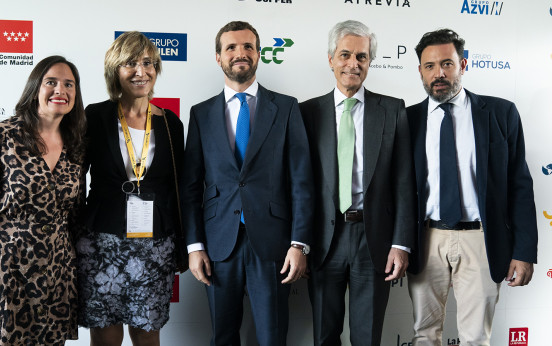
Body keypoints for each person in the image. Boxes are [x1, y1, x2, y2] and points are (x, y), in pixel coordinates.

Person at [181, 21, 314, 345]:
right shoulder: (201, 114)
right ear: (218, 57)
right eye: (231, 47)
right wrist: (195, 246)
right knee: (222, 337)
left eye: (248, 47)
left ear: (258, 54)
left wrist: (299, 244)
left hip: (272, 245)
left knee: (272, 336)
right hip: (217, 247)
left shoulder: (285, 107)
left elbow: (301, 181)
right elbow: (190, 186)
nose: (240, 54)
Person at [406, 28, 538, 345]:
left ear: (463, 65)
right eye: (430, 66)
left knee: (477, 337)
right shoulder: (406, 120)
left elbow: (520, 185)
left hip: (482, 239)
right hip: (426, 239)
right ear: (420, 71)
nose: (439, 73)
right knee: (424, 334)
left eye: (447, 64)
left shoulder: (500, 113)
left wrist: (523, 252)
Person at [0, 55, 86, 345]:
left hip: (58, 272)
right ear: (35, 88)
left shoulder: (76, 145)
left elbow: (76, 214)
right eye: (51, 82)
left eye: (69, 84)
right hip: (5, 270)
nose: (60, 90)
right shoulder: (0, 136)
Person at [299, 20, 416, 346]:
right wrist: (300, 243)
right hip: (324, 241)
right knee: (324, 335)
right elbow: (299, 186)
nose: (353, 64)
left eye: (361, 57)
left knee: (368, 337)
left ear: (369, 61)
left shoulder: (392, 111)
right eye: (345, 55)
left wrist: (401, 243)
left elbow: (404, 183)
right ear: (331, 59)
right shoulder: (307, 113)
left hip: (374, 241)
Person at [75, 31, 184, 346]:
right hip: (100, 240)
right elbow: (75, 176)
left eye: (148, 62)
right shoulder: (94, 116)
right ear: (115, 71)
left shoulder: (170, 123)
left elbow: (178, 189)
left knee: (147, 332)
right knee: (105, 335)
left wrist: (183, 244)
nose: (141, 71)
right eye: (131, 63)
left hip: (154, 244)